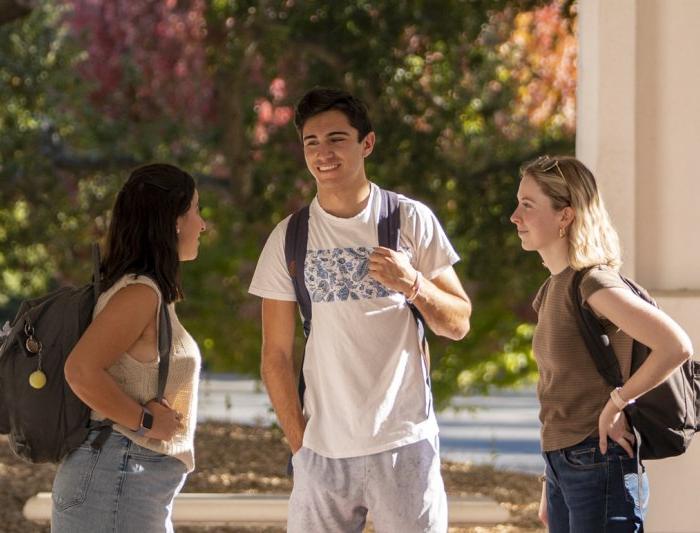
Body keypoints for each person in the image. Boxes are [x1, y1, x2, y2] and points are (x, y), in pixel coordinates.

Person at [249, 87, 472, 532]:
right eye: (312, 143)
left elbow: (459, 322)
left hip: (405, 445)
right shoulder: (289, 237)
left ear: (366, 143)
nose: (323, 153)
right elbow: (275, 356)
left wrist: (413, 284)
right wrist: (300, 445)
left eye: (337, 139)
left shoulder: (408, 220)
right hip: (322, 453)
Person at [510, 155, 694, 532]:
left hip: (598, 462)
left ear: (565, 216)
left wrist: (616, 403)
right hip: (566, 466)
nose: (515, 216)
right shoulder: (551, 290)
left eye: (527, 205)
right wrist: (551, 480)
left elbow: (676, 346)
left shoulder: (593, 283)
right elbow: (559, 391)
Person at [52, 163, 206, 533]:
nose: (202, 225)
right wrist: (146, 420)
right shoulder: (139, 294)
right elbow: (80, 370)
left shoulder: (148, 293)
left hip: (127, 481)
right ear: (173, 222)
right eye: (197, 211)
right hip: (118, 477)